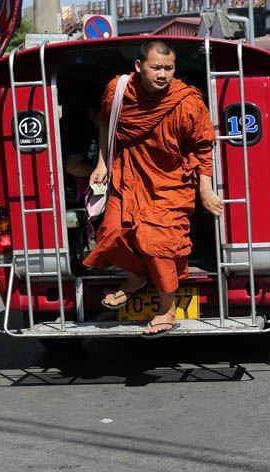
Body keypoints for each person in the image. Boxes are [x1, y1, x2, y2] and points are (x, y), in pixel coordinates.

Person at [84, 40, 223, 338]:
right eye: (156, 67)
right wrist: (102, 163)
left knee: (157, 243)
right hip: (129, 174)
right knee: (110, 232)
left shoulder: (186, 100)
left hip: (170, 183)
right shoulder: (119, 90)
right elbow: (106, 124)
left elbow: (203, 147)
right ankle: (135, 276)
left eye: (169, 68)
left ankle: (167, 310)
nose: (163, 74)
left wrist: (206, 189)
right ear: (139, 66)